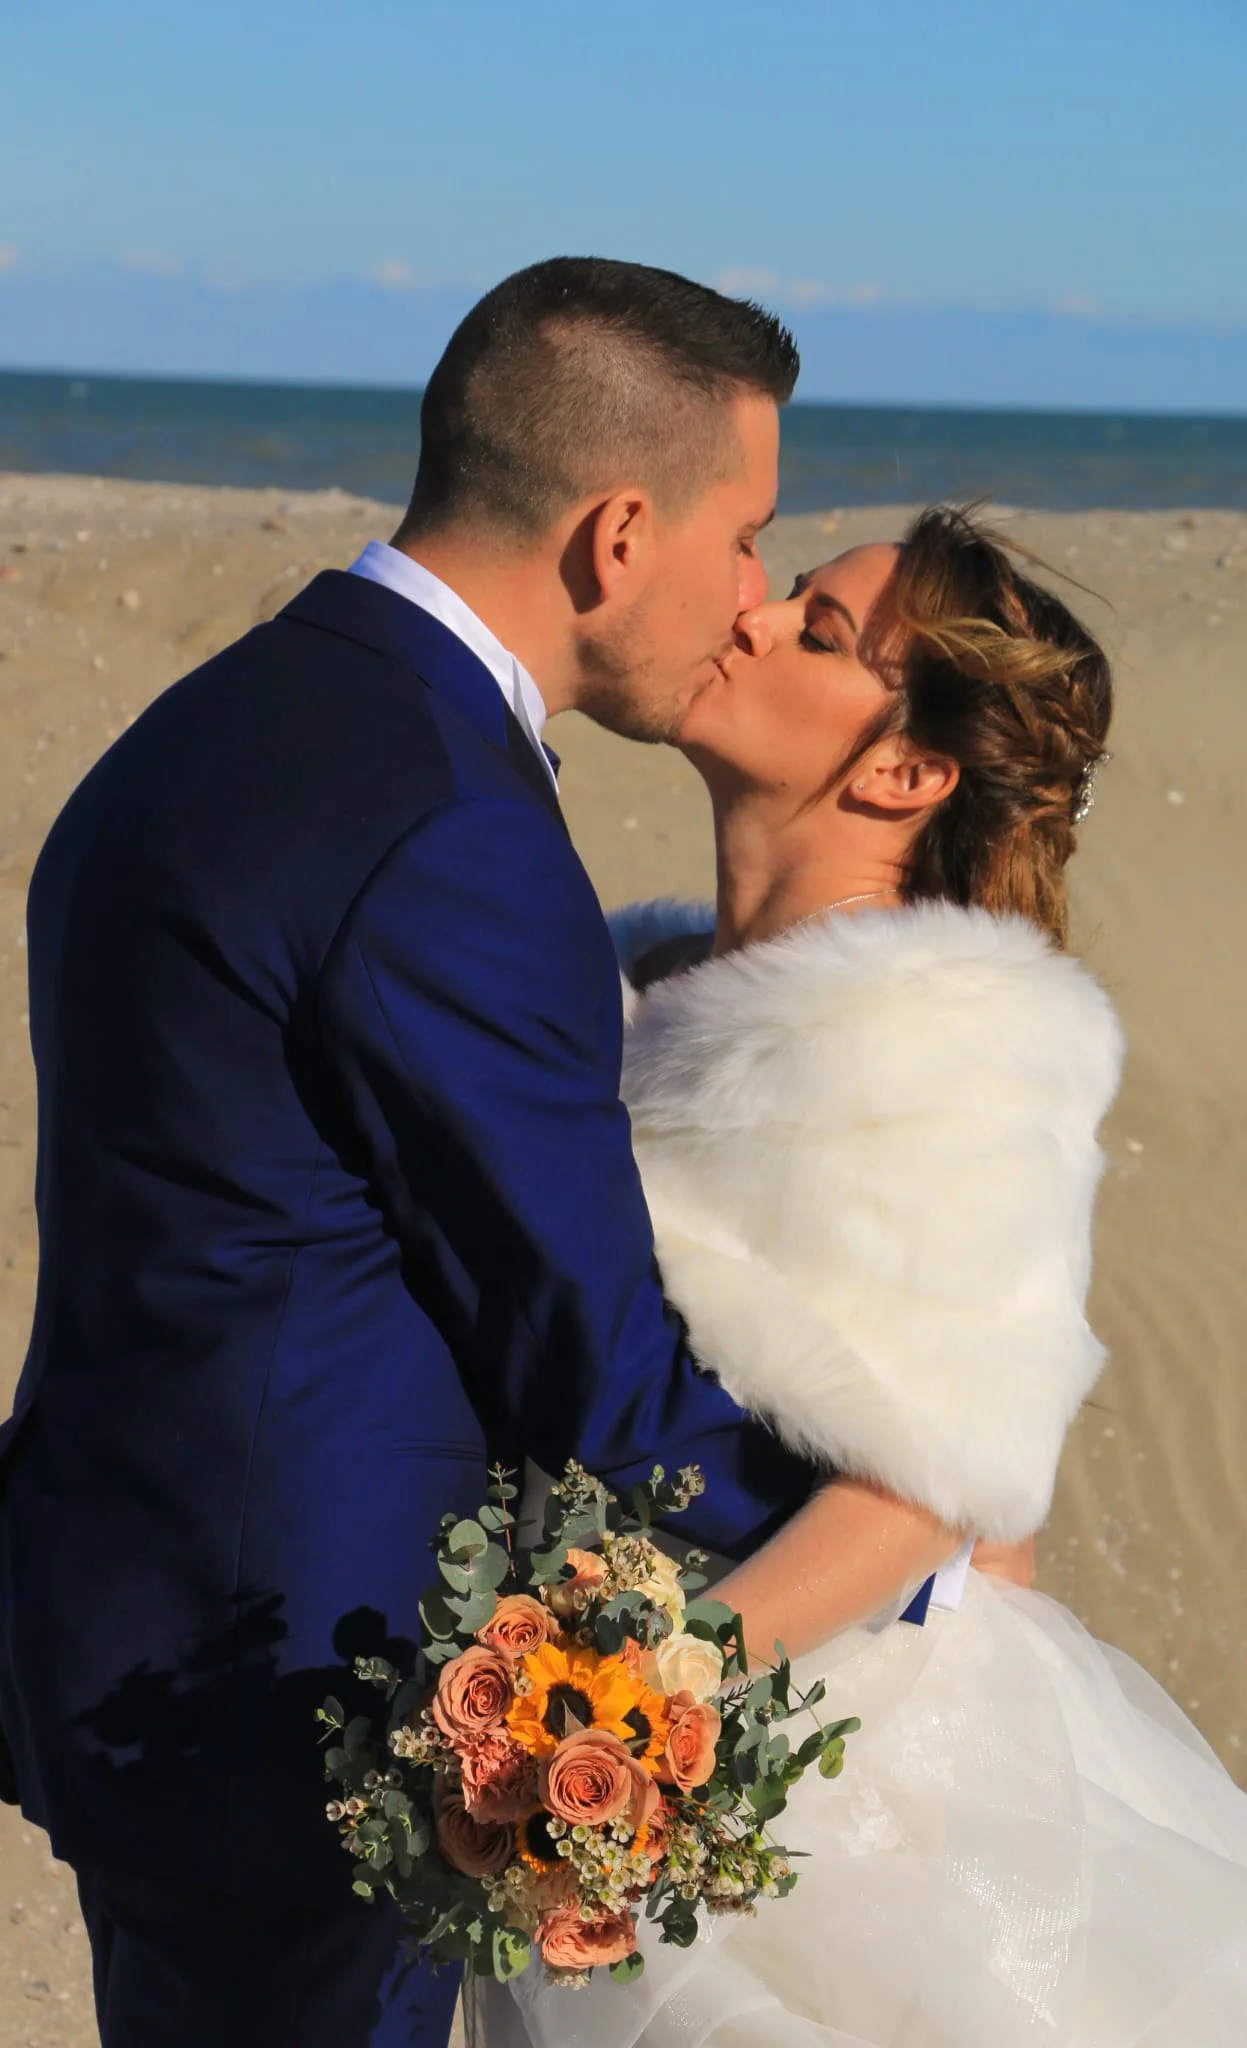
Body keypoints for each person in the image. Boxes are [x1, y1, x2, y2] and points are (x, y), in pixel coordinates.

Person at [0, 258, 963, 2048]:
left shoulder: (196, 731)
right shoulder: (451, 823)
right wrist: (927, 1557)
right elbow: (584, 1351)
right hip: (300, 1705)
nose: (751, 595)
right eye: (743, 536)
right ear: (617, 535)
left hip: (111, 1631)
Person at [480, 508, 1247, 2046]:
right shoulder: (651, 996)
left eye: (818, 633)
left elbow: (939, 1487)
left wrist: (641, 1718)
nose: (749, 619)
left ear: (902, 771)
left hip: (853, 1771)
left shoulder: (955, 1044)